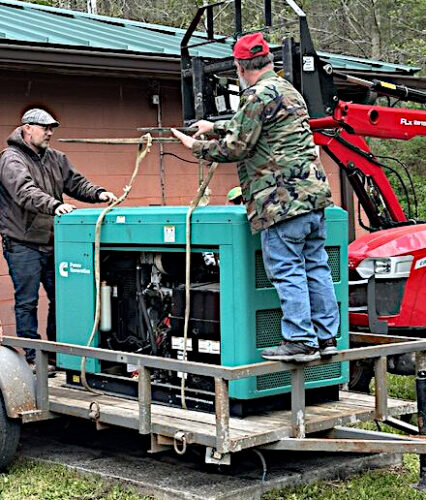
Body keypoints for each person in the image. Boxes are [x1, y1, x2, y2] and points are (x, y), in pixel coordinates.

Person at [172, 33, 339, 363]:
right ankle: (326, 338)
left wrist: (197, 147)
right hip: (314, 198)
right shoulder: (288, 90)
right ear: (268, 61)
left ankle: (300, 340)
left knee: (288, 269)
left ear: (239, 66)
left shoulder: (255, 94)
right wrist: (214, 126)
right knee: (316, 267)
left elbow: (237, 146)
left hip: (281, 201)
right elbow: (260, 127)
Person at [0, 108, 117, 368]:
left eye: (52, 128)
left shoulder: (56, 158)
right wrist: (55, 205)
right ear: (27, 128)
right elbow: (25, 192)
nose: (50, 133)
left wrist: (99, 193)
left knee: (61, 298)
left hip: (52, 242)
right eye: (45, 128)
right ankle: (34, 358)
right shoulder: (11, 159)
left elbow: (76, 183)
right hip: (22, 244)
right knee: (27, 302)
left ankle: (55, 352)